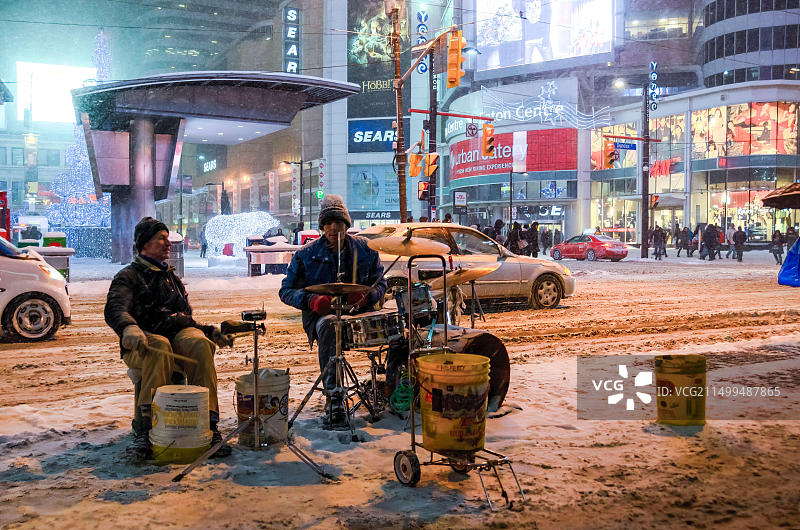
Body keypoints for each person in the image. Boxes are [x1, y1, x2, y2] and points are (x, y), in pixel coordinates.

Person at [104, 217, 234, 461]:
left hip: (175, 337)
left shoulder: (170, 278)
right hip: (142, 342)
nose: (168, 244)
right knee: (158, 346)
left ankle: (209, 423)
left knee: (200, 345)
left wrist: (209, 332)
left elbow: (184, 319)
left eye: (167, 239)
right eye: (161, 239)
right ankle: (145, 429)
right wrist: (129, 328)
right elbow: (115, 308)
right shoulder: (128, 276)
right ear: (145, 243)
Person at [279, 195, 387, 422]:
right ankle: (334, 397)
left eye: (338, 222)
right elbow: (286, 291)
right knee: (330, 325)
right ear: (321, 227)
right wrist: (311, 301)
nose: (332, 228)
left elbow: (381, 283)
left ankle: (394, 385)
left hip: (358, 314)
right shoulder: (305, 255)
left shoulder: (366, 251)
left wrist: (367, 297)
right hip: (321, 316)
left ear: (346, 225)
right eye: (327, 223)